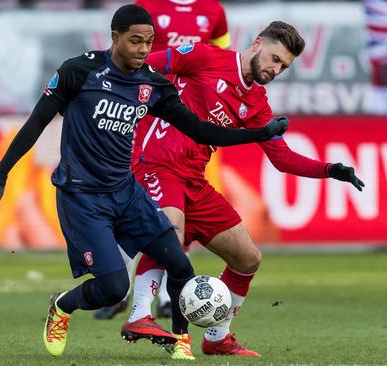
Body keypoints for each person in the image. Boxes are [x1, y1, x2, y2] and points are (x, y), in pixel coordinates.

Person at [0, 4, 289, 360]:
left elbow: (201, 129)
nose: (143, 50)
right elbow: (34, 125)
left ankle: (180, 343)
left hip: (126, 194)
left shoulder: (151, 84)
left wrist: (259, 133)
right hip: (82, 196)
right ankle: (62, 306)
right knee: (113, 288)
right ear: (115, 38)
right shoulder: (79, 71)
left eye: (149, 42)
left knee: (181, 266)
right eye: (136, 41)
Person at [121, 21, 365, 358]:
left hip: (194, 179)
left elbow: (282, 158)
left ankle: (217, 337)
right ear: (258, 43)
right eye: (274, 59)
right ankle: (140, 315)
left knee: (248, 258)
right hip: (156, 163)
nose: (276, 69)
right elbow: (146, 65)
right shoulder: (206, 57)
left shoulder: (257, 104)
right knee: (169, 235)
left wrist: (330, 170)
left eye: (283, 66)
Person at [94, 0, 231, 321]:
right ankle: (119, 289)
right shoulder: (146, 7)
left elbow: (222, 58)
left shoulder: (213, 10)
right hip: (144, 108)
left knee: (177, 206)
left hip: (187, 117)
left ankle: (171, 297)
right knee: (129, 198)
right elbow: (124, 55)